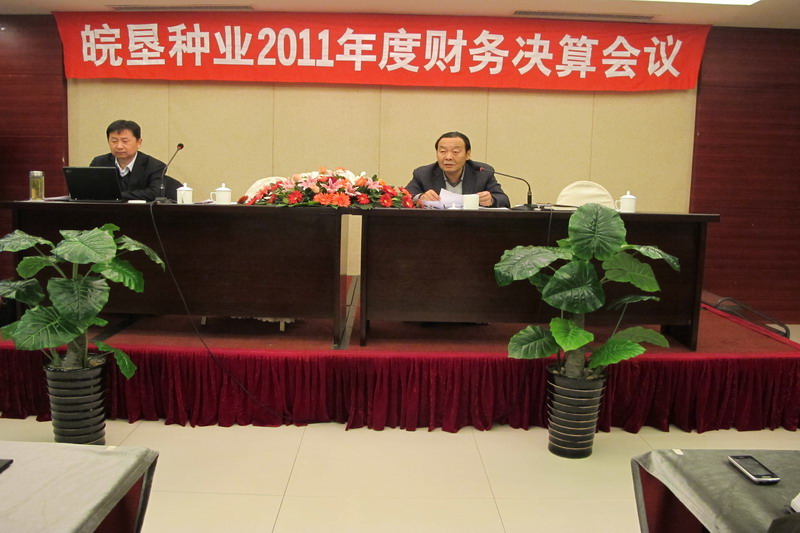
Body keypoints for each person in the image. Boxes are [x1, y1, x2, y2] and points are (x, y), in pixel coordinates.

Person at [406, 131, 510, 208]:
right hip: (436, 225)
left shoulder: (482, 173)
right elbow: (404, 197)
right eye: (443, 151)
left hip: (473, 226)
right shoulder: (424, 174)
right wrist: (420, 198)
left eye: (455, 152)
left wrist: (491, 200)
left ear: (467, 154)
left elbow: (504, 200)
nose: (448, 157)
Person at [90, 119, 166, 201]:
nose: (119, 146)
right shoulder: (99, 163)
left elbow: (154, 193)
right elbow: (89, 190)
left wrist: (116, 195)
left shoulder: (154, 166)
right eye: (114, 141)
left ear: (139, 143)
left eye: (125, 141)